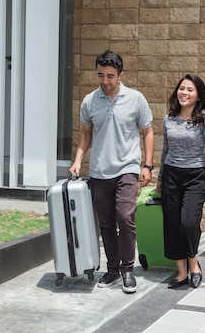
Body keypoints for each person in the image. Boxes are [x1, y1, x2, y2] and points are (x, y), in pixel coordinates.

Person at [69, 49, 155, 294]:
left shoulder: (136, 99)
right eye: (100, 75)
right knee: (106, 223)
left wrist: (147, 165)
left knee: (125, 216)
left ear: (120, 75)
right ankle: (113, 269)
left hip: (127, 168)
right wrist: (78, 161)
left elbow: (147, 132)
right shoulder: (89, 101)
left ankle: (128, 269)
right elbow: (85, 135)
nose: (104, 81)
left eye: (109, 76)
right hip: (99, 171)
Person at [156, 73, 205, 289]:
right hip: (171, 175)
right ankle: (182, 271)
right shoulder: (168, 118)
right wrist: (160, 177)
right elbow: (165, 150)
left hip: (196, 175)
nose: (184, 93)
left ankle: (194, 263)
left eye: (190, 90)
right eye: (182, 88)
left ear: (198, 95)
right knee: (172, 223)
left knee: (188, 222)